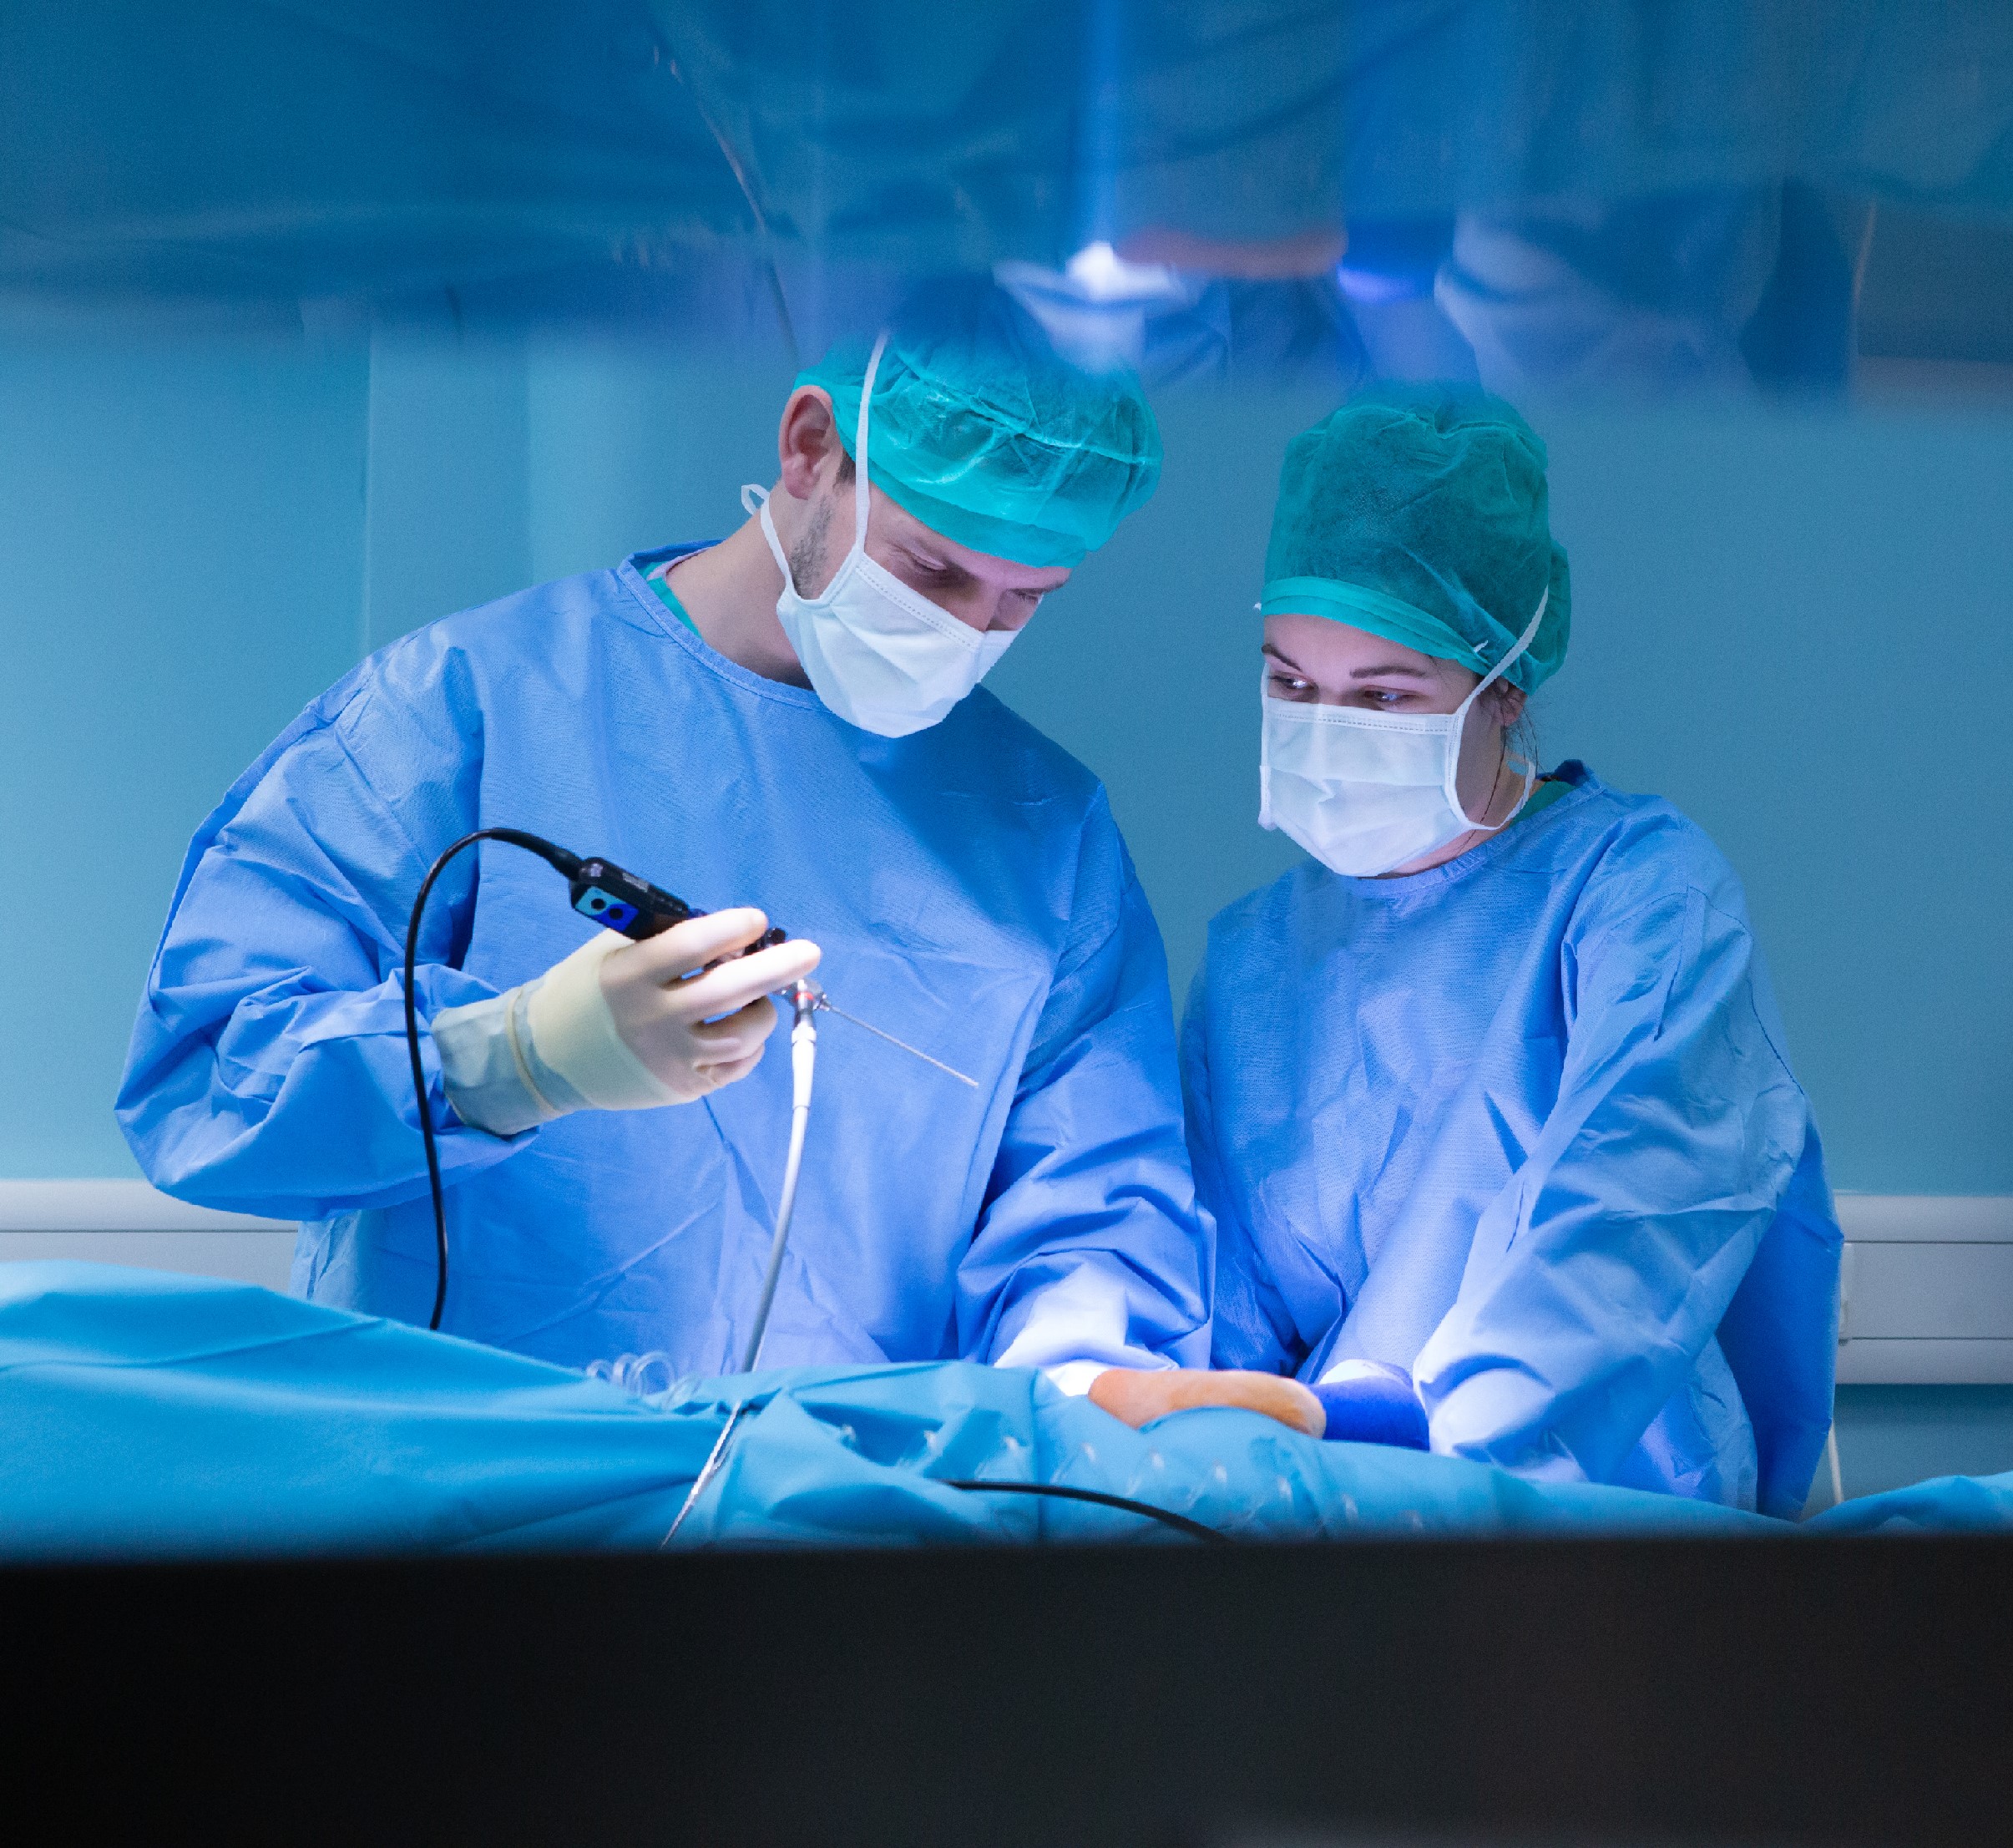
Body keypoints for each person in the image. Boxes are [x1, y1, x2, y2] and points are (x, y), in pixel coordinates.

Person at [120, 300, 1243, 1406]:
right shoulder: (470, 705)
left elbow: (1094, 1205)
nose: (969, 630)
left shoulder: (1045, 833)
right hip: (469, 1486)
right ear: (811, 447)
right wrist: (516, 1057)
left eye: (1024, 600)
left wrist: (1080, 1374)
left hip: (836, 1497)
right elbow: (207, 1074)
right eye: (933, 571)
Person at [1178, 391, 1844, 1515]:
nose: (1328, 732)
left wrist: (1400, 1444)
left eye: (1384, 694)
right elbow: (1222, 1324)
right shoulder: (1251, 964)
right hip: (1328, 1524)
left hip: (1599, 1526)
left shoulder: (1642, 901)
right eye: (1292, 684)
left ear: (1506, 688)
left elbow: (1621, 1247)